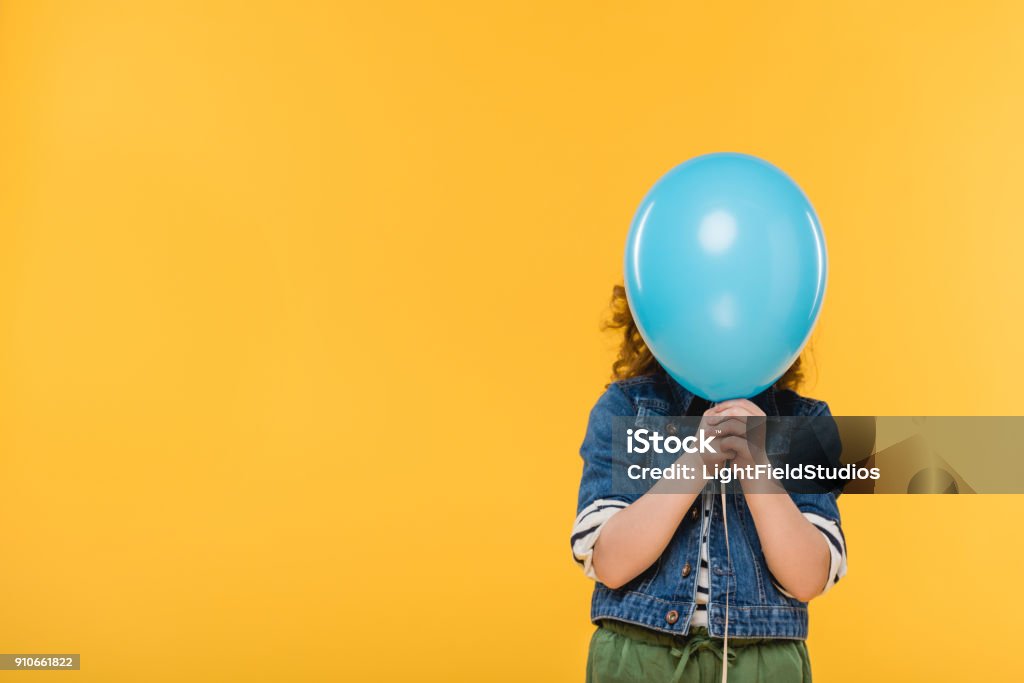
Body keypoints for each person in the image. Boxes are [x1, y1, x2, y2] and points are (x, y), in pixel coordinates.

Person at [571, 286, 848, 682]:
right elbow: (611, 565)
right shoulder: (628, 410)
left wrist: (756, 468)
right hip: (639, 661)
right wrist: (698, 459)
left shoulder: (805, 424)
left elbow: (806, 579)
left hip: (762, 664)